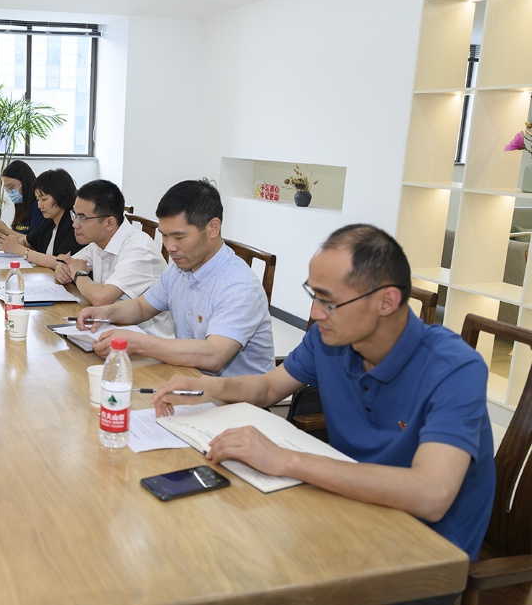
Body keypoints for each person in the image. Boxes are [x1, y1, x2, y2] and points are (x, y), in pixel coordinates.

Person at [152, 224, 494, 566]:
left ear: (387, 301)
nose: (315, 314)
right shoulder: (330, 340)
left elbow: (432, 494)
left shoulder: (454, 368)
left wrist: (286, 459)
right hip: (346, 506)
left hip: (424, 549)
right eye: (313, 295)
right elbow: (269, 388)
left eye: (328, 302)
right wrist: (211, 387)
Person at [76, 179, 274, 375]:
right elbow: (142, 307)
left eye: (179, 237)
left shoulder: (238, 285)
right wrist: (105, 313)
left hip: (231, 393)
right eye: (164, 235)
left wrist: (139, 343)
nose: (170, 247)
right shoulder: (179, 270)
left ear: (213, 228)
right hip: (187, 376)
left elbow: (213, 355)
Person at [55, 179, 172, 337]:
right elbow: (68, 263)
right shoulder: (98, 242)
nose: (75, 224)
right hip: (111, 329)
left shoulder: (139, 248)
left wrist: (79, 274)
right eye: (74, 215)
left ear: (109, 223)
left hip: (147, 339)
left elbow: (101, 298)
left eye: (82, 218)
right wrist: (61, 269)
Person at [0, 168, 84, 269]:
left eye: (44, 199)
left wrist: (21, 251)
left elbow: (60, 262)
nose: (39, 205)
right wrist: (8, 242)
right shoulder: (49, 222)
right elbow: (26, 241)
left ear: (60, 195)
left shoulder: (73, 223)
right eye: (37, 199)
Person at [0, 160, 44, 237]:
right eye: (7, 188)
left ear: (25, 183)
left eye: (11, 187)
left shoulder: (39, 207)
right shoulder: (21, 205)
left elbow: (34, 241)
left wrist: (5, 230)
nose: (10, 192)